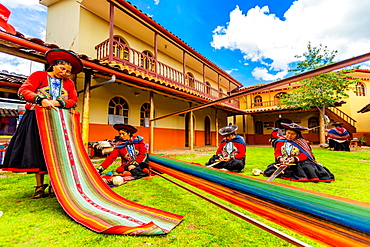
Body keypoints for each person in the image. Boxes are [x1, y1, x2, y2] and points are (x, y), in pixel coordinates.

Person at [2, 48, 83, 198]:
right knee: (39, 150)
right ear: (53, 65)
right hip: (36, 119)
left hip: (59, 121)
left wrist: (56, 103)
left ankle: (55, 185)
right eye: (62, 68)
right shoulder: (39, 75)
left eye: (68, 71)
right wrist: (40, 100)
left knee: (58, 151)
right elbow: (23, 91)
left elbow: (74, 100)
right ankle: (39, 186)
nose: (65, 73)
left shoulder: (69, 83)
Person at [263, 123, 335, 182]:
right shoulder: (280, 141)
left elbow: (306, 154)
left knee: (306, 167)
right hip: (284, 162)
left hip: (300, 162)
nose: (289, 136)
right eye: (288, 133)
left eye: (292, 134)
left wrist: (294, 159)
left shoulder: (302, 142)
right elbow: (277, 152)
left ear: (297, 134)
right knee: (271, 169)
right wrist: (281, 159)